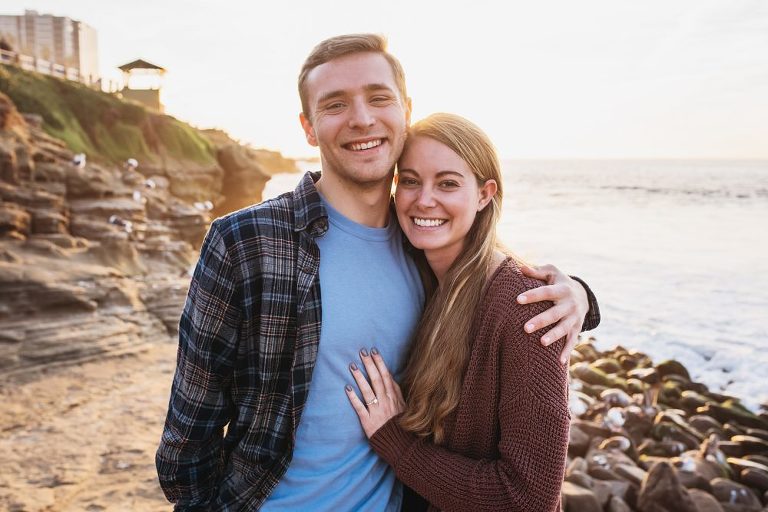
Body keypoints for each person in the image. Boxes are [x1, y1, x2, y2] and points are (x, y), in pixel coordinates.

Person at [156, 34, 599, 510]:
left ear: (405, 111)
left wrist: (579, 295)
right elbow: (188, 442)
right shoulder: (248, 242)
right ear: (308, 128)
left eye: (378, 97)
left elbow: (494, 282)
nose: (362, 118)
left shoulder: (421, 243)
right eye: (335, 104)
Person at [345, 112, 571, 511]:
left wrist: (396, 442)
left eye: (447, 183)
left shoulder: (524, 309)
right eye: (410, 180)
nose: (424, 199)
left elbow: (527, 499)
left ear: (484, 194)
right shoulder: (416, 273)